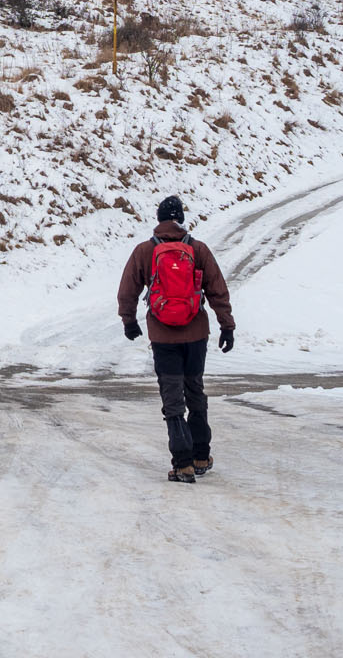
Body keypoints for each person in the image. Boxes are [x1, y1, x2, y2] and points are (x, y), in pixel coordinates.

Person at [116, 195, 234, 483]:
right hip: (196, 335)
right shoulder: (198, 248)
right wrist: (226, 325)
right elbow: (218, 289)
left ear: (158, 220)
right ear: (181, 219)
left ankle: (182, 465)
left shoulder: (144, 251)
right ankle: (201, 456)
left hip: (163, 336)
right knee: (195, 392)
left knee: (172, 399)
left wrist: (129, 322)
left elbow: (127, 290)